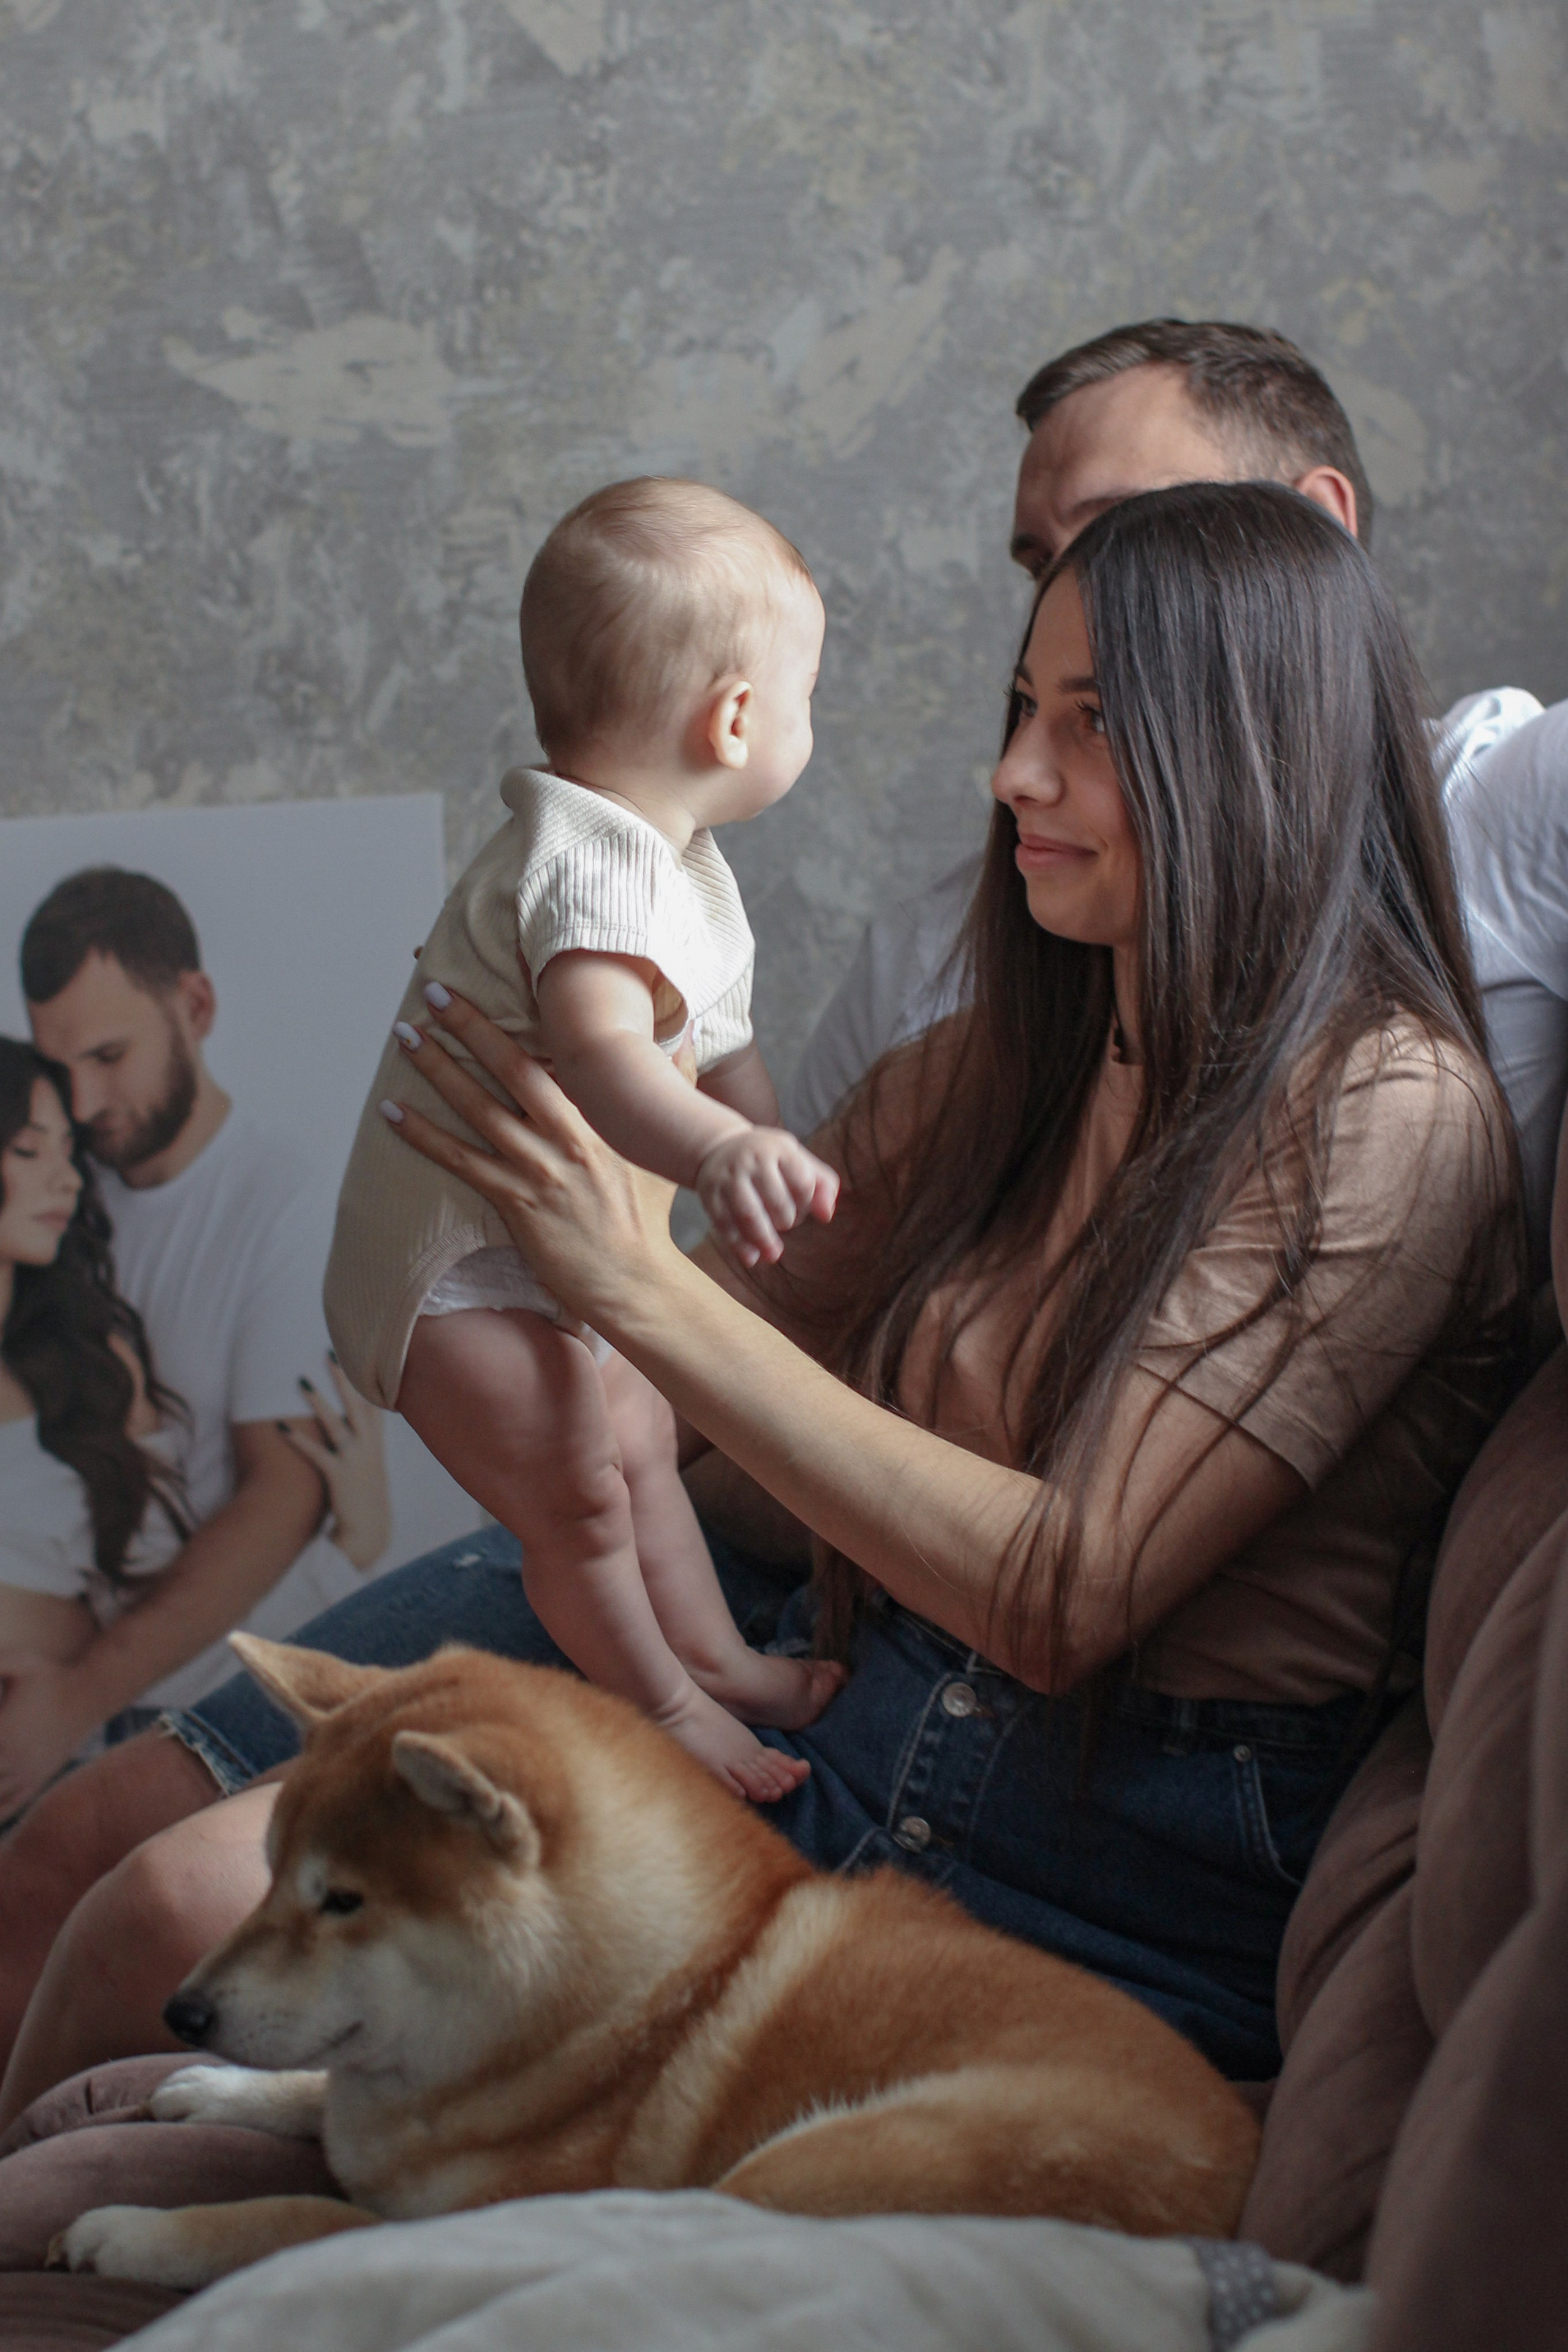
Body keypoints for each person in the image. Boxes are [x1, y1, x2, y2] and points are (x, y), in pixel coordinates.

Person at [0, 307, 1531, 2087]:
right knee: (79, 1858)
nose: (1010, 770)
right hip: (769, 1614)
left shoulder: (1388, 1093)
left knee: (177, 1928)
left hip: (978, 1790)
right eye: (1031, 650)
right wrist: (528, 1347)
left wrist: (630, 1292)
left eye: (1091, 702)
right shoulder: (1010, 1036)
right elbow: (723, 1356)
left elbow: (1041, 1571)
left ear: (1275, 629)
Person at [784, 319, 1556, 1279]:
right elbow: (760, 1300)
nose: (1070, 589)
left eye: (1130, 528)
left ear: (1310, 531)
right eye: (1041, 564)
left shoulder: (1503, 794)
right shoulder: (936, 959)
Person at [328, 479, 843, 1800]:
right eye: (806, 697)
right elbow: (609, 1056)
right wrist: (722, 1157)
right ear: (734, 717)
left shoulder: (679, 864)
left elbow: (717, 1039)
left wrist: (765, 1139)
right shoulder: (590, 863)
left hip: (542, 1252)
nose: (806, 722)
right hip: (453, 1274)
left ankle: (718, 1662)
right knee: (580, 1497)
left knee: (640, 1442)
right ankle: (668, 1706)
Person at [0, 870, 387, 1819]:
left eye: (109, 1055)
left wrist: (76, 1697)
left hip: (199, 1716)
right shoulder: (67, 1190)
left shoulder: (284, 1210)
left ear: (196, 1006)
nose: (85, 1102)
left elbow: (284, 1494)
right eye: (63, 1068)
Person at [0, 1041, 189, 1697]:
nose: (70, 1180)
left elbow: (161, 1589)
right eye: (28, 1149)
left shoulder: (94, 1367)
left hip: (72, 1749)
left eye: (68, 1151)